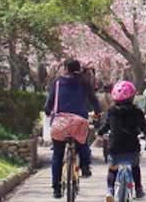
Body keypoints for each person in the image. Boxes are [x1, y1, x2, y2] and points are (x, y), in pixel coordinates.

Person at [44, 59, 101, 199]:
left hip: (60, 122)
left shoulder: (57, 82)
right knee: (83, 144)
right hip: (78, 122)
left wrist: (47, 111)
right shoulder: (84, 82)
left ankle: (56, 188)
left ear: (65, 68)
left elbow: (49, 102)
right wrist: (97, 112)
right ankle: (86, 167)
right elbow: (93, 100)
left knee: (57, 155)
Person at [98, 80, 146, 200]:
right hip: (131, 148)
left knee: (112, 169)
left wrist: (100, 132)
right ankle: (138, 189)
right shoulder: (137, 112)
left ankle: (110, 190)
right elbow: (145, 127)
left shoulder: (112, 112)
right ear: (132, 97)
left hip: (115, 148)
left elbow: (106, 126)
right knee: (135, 167)